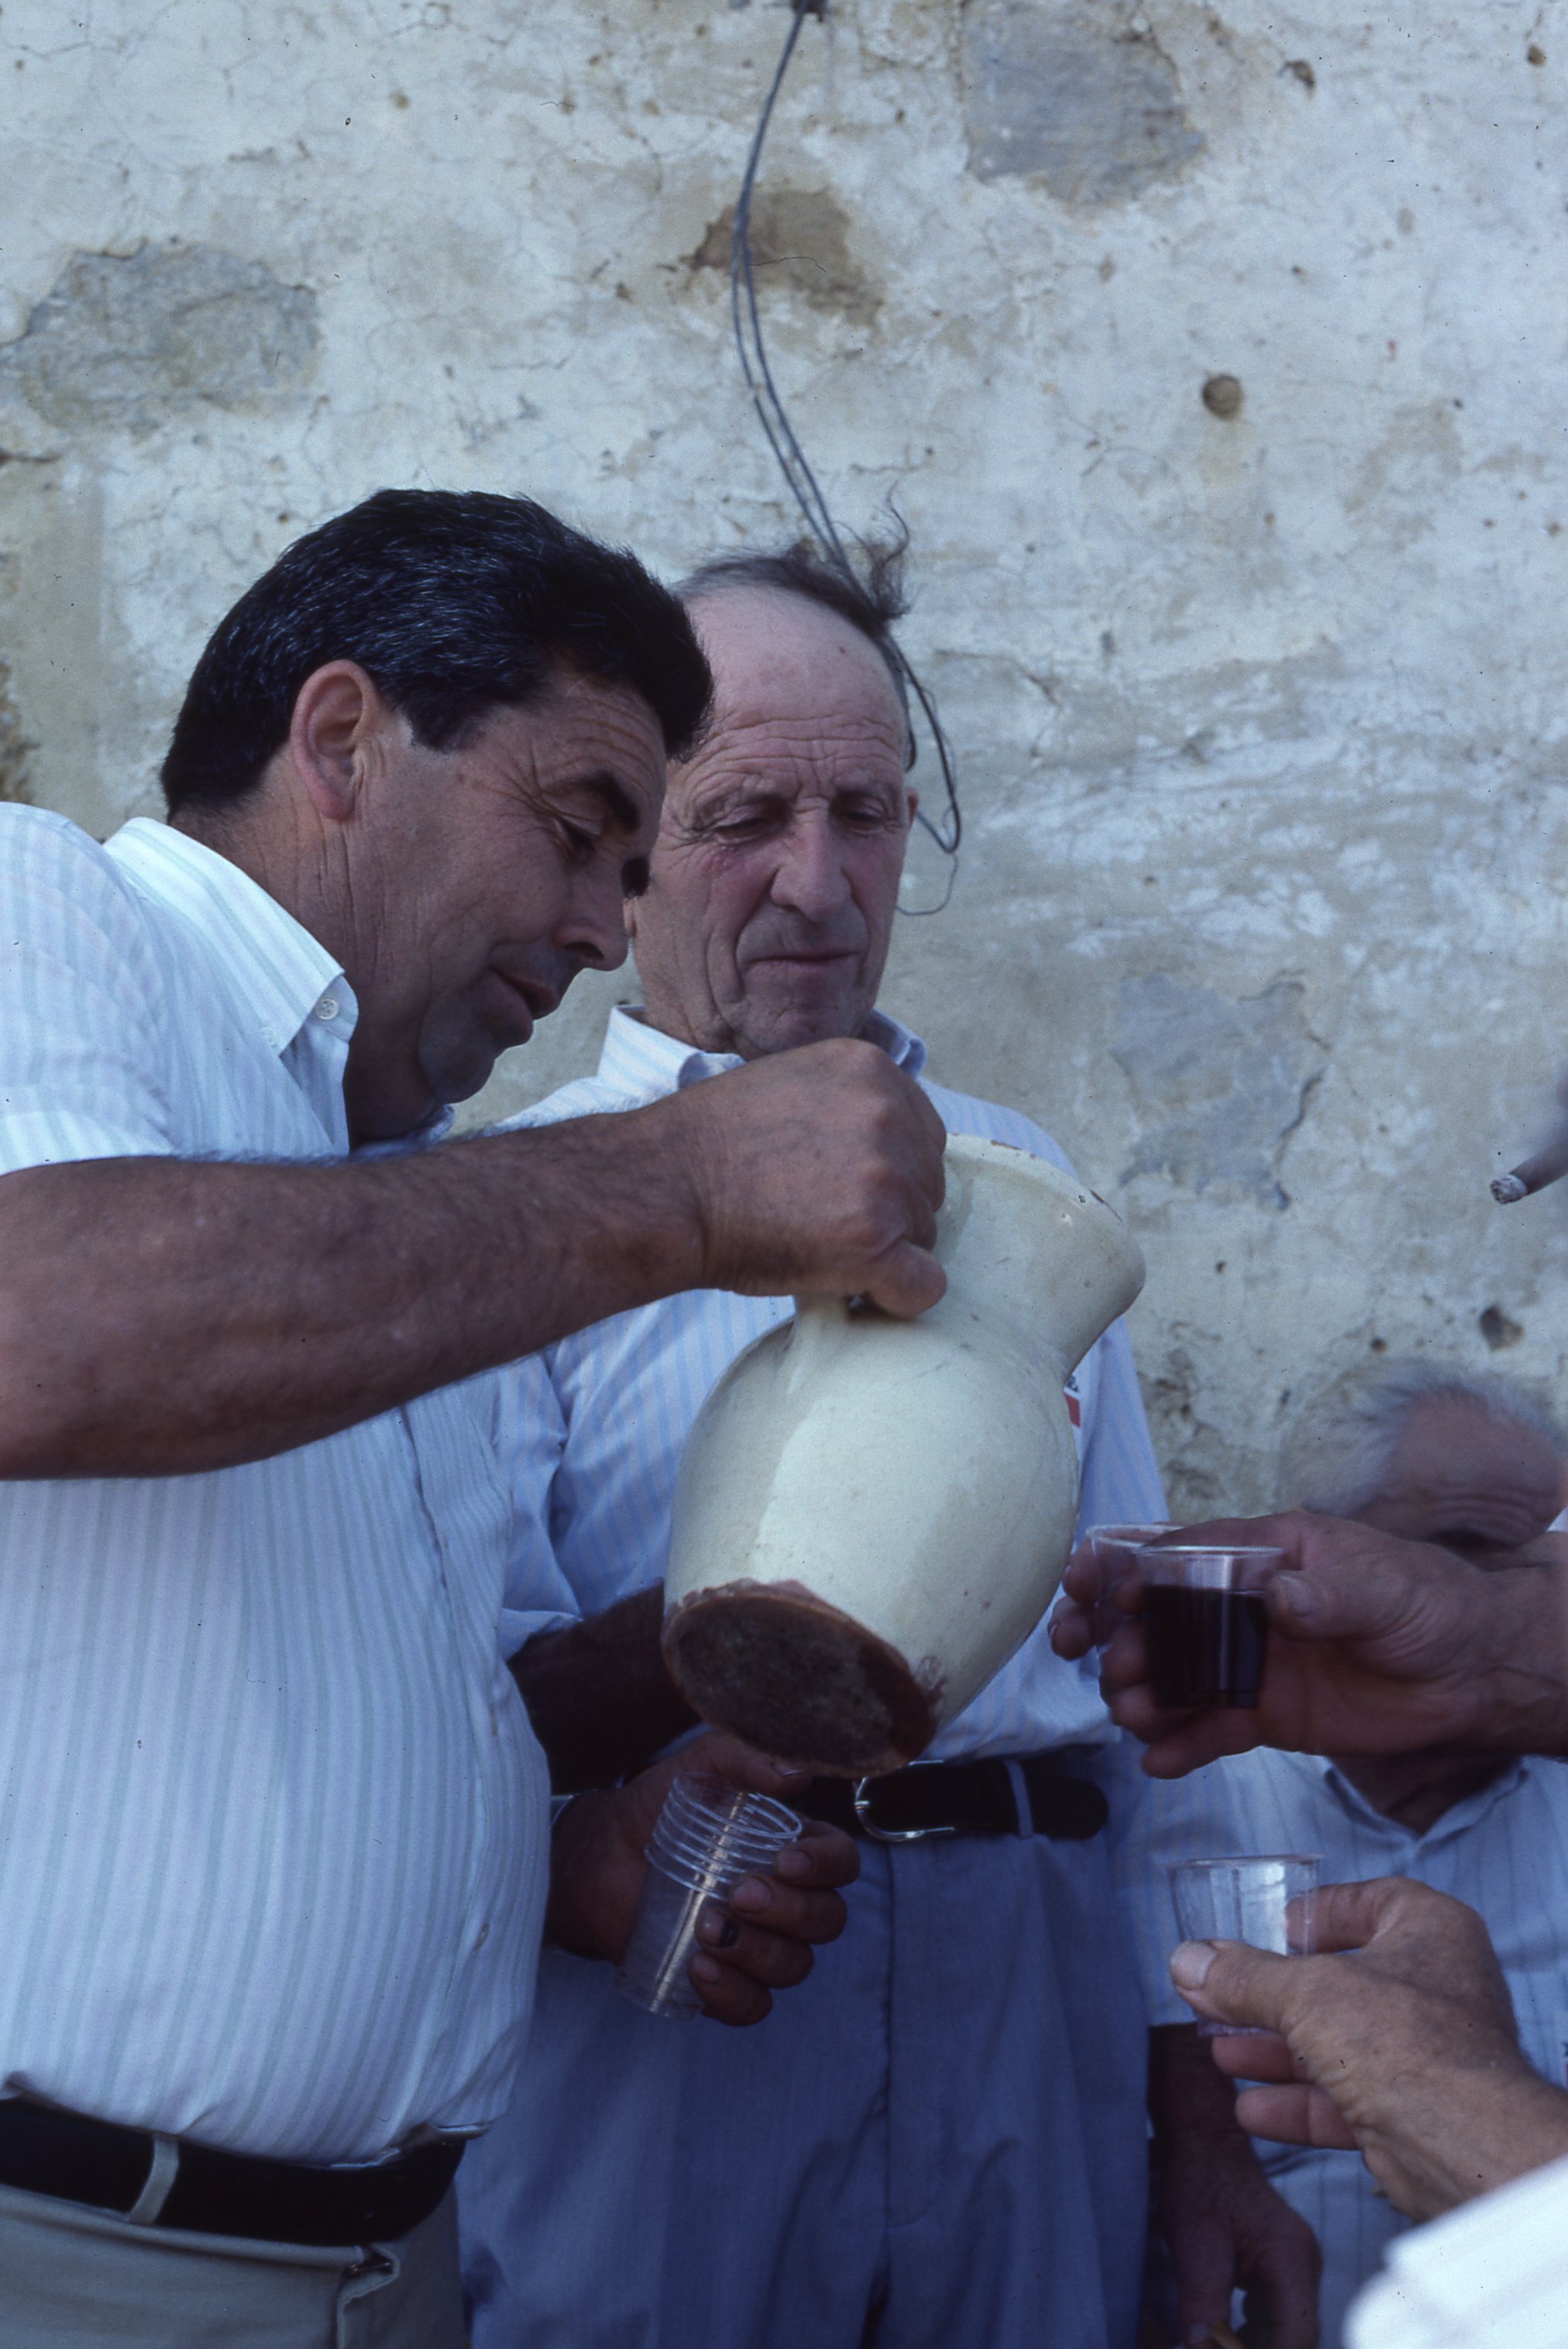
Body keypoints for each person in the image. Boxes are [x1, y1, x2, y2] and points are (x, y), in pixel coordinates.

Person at [0, 490, 953, 2347]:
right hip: (76, 2258)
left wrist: (571, 1851)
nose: (605, 928)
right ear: (342, 739)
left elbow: (368, 1704)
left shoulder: (395, 1180)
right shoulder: (50, 902)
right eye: (581, 831)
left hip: (383, 2264)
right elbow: (45, 1323)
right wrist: (681, 1184)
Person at [458, 540, 1168, 2349]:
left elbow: (1142, 1687)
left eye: (865, 814)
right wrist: (753, 1645)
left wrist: (1209, 2113)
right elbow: (445, 1708)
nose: (817, 883)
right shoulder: (509, 1213)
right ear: (626, 850)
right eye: (743, 817)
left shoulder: (1020, 1187)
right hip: (691, 1960)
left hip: (1023, 1969)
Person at [1117, 1364, 1568, 2348]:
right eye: (1465, 1556)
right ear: (1313, 1565)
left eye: (1545, 1570)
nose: (1507, 1607)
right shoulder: (1171, 1799)